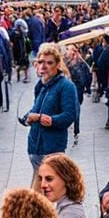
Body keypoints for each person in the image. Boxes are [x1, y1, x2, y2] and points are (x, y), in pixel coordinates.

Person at [20, 44, 77, 180]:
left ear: (57, 64)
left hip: (52, 148)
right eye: (41, 62)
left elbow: (69, 116)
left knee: (44, 193)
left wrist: (47, 119)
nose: (44, 66)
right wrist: (28, 117)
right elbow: (36, 108)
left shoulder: (66, 86)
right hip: (35, 147)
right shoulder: (41, 85)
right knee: (39, 192)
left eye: (49, 62)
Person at [64, 45, 90, 145]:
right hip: (71, 90)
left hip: (77, 90)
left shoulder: (79, 64)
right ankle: (73, 127)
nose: (66, 51)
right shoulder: (68, 62)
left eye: (68, 49)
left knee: (76, 109)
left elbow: (83, 79)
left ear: (74, 53)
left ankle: (76, 130)